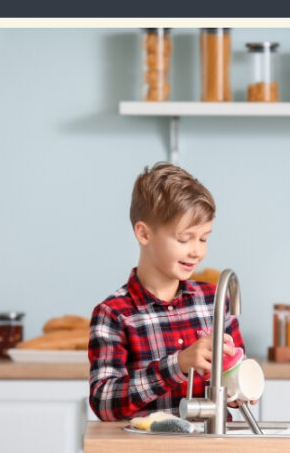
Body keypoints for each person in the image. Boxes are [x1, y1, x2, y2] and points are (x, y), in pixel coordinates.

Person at [89, 162, 244, 420]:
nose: (197, 251)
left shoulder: (213, 301)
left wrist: (240, 386)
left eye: (204, 238)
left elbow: (233, 381)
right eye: (184, 239)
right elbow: (105, 402)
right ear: (144, 234)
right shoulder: (114, 314)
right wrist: (179, 364)